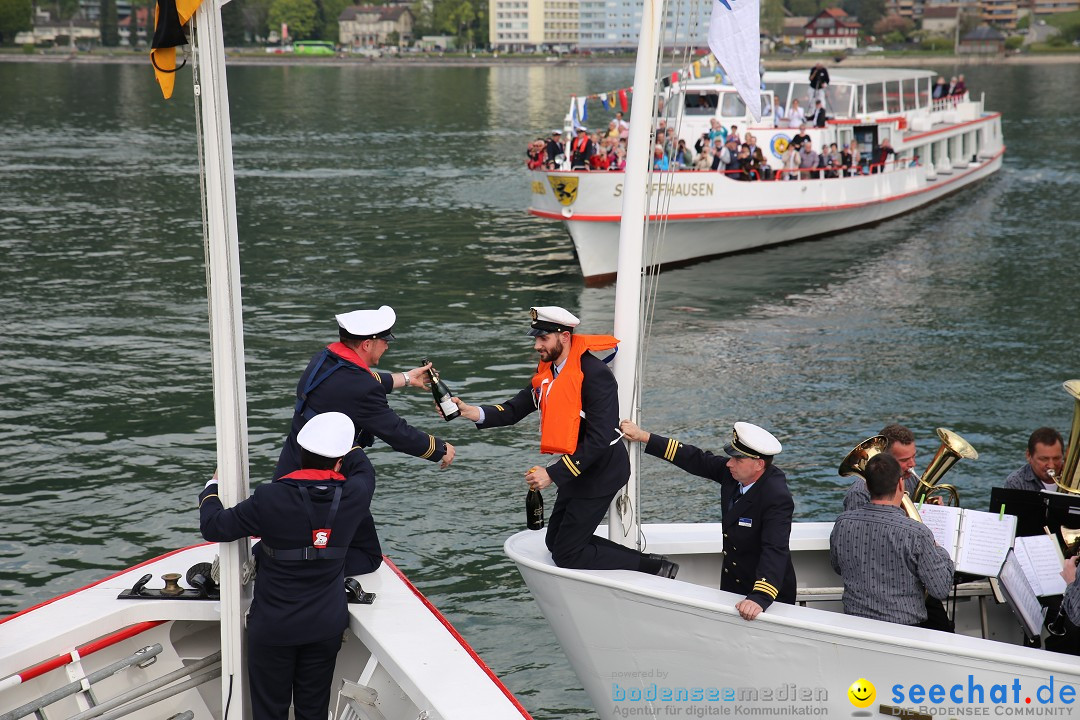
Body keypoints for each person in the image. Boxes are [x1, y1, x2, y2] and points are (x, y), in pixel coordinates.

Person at [450, 307, 677, 577]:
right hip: (576, 469)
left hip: (602, 471)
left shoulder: (594, 375)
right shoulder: (549, 374)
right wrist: (468, 411)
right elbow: (512, 410)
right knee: (554, 541)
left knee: (567, 554)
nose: (536, 345)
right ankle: (646, 561)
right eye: (536, 338)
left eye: (543, 338)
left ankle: (654, 567)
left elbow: (600, 438)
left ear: (565, 337)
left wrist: (553, 474)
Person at [200, 412, 377, 720]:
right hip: (326, 626)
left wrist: (212, 487)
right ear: (339, 462)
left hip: (274, 627)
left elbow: (214, 526)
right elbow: (362, 469)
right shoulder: (357, 493)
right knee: (313, 712)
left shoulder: (270, 498)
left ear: (298, 455)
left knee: (270, 713)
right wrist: (353, 446)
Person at [274, 306, 454, 573]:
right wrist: (439, 449)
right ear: (367, 344)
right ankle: (303, 571)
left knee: (286, 532)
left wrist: (405, 378)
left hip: (294, 460)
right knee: (368, 556)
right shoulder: (360, 385)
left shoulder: (325, 358)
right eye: (384, 341)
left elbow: (356, 380)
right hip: (325, 475)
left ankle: (279, 561)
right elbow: (395, 432)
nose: (387, 347)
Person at [619, 419, 796, 620]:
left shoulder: (776, 496)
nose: (729, 463)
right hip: (733, 587)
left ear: (759, 464)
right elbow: (696, 459)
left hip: (765, 599)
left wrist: (760, 597)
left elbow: (775, 549)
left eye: (738, 459)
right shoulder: (735, 475)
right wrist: (644, 436)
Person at [830, 453, 955, 629]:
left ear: (866, 485)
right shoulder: (917, 533)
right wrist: (938, 549)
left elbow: (837, 566)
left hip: (855, 626)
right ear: (900, 484)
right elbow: (940, 589)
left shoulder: (842, 523)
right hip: (904, 631)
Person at [842, 424, 922, 511]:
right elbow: (856, 524)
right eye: (904, 460)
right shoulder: (859, 493)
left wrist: (929, 507)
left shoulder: (910, 478)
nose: (913, 464)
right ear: (886, 458)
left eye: (913, 456)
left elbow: (919, 507)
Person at [1004, 427, 1065, 492]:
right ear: (1029, 456)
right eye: (1044, 459)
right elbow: (1003, 503)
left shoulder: (1075, 477)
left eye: (1056, 458)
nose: (1051, 466)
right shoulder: (1016, 482)